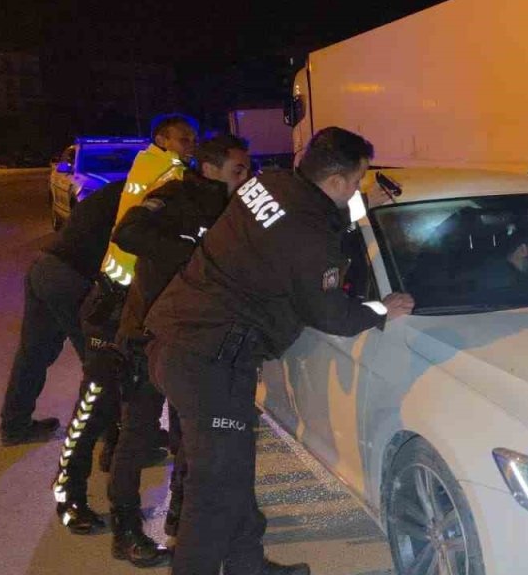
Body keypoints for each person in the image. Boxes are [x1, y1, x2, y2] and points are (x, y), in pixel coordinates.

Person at [144, 127, 414, 575]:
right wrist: (379, 309)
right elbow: (331, 314)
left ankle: (249, 567)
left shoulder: (267, 184)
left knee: (232, 476)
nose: (360, 188)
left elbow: (288, 237)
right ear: (337, 182)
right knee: (213, 496)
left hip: (180, 337)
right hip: (210, 362)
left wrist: (355, 217)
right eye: (358, 179)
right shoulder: (310, 235)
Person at [105, 134, 251, 566]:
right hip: (146, 335)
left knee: (192, 438)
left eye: (248, 170)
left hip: (194, 341)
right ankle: (126, 528)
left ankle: (181, 517)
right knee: (137, 434)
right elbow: (127, 231)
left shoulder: (236, 209)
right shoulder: (173, 196)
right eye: (238, 170)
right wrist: (190, 251)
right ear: (209, 169)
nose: (246, 178)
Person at [51, 113, 198, 534]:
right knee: (95, 403)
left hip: (125, 301)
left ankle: (104, 467)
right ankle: (67, 494)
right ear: (162, 139)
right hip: (115, 302)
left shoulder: (149, 167)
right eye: (182, 138)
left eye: (193, 140)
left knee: (121, 400)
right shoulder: (168, 172)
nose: (188, 145)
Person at [0, 180, 123, 445]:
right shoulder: (137, 198)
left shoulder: (113, 190)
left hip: (45, 267)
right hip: (71, 278)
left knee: (34, 352)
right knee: (97, 357)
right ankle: (108, 433)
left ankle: (15, 426)